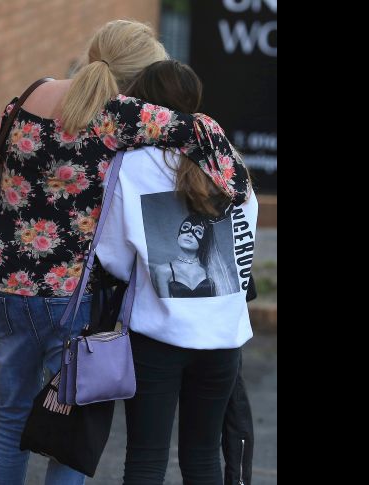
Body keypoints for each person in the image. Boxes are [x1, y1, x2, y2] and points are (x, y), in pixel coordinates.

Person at [0, 20, 250, 485]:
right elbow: (200, 132)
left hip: (6, 284)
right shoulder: (122, 115)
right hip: (73, 295)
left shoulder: (27, 97)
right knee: (71, 427)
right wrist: (236, 186)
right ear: (137, 77)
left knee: (10, 419)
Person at [95, 59, 258, 484]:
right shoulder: (229, 161)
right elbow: (244, 243)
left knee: (146, 459)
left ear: (144, 106)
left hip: (156, 337)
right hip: (222, 337)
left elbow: (112, 256)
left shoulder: (130, 165)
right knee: (203, 458)